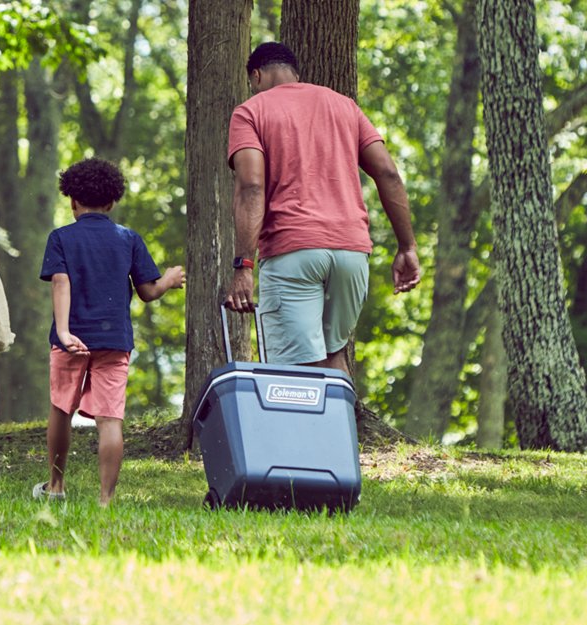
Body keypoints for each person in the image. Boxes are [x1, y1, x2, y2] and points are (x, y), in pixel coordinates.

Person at [223, 42, 423, 373]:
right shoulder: (345, 106)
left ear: (256, 76)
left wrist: (244, 265)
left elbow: (251, 185)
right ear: (296, 75)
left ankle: (307, 426)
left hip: (293, 253)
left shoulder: (250, 111)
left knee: (297, 371)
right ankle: (344, 426)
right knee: (334, 354)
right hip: (351, 254)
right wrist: (408, 246)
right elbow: (387, 172)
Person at [32, 159, 186, 506]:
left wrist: (64, 331)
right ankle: (106, 499)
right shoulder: (127, 239)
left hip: (70, 341)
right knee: (110, 419)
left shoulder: (61, 238)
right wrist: (170, 280)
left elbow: (60, 282)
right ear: (113, 201)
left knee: (61, 410)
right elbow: (148, 292)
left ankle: (56, 487)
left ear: (72, 201)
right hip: (115, 341)